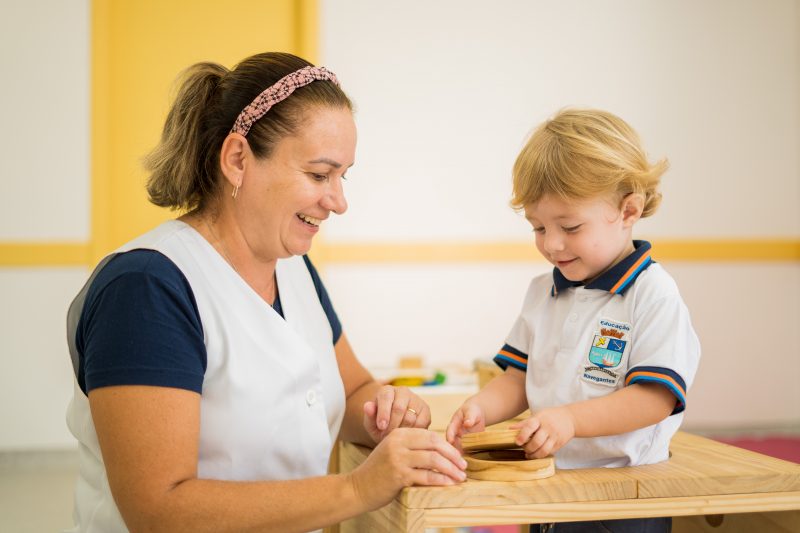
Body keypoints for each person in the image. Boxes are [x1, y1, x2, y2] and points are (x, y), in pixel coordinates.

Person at [65, 51, 467, 533]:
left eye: (343, 176)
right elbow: (159, 510)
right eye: (320, 175)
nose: (338, 202)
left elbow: (353, 388)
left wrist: (387, 410)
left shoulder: (294, 270)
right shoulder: (147, 289)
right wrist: (357, 488)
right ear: (238, 160)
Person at [446, 108, 701, 533]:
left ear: (627, 211)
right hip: (550, 486)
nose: (552, 244)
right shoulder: (542, 291)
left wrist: (570, 420)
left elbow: (654, 399)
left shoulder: (652, 293)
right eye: (538, 227)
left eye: (569, 226)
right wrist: (481, 409)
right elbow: (517, 378)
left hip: (624, 499)